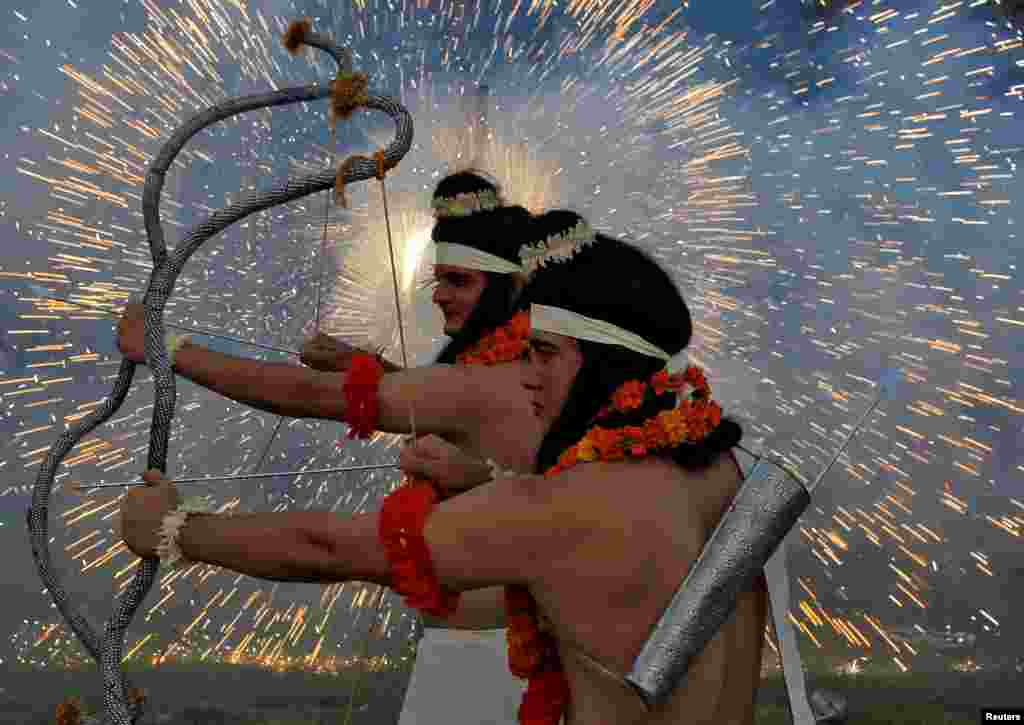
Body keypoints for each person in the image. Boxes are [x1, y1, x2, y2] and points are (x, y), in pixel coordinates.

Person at [119, 214, 768, 724]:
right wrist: (483, 483)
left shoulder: (561, 503)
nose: (529, 378)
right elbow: (617, 589)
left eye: (546, 354)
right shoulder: (713, 462)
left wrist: (176, 528)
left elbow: (328, 547)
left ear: (602, 362)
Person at [118, 170, 544, 724]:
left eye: (458, 281)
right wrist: (367, 370)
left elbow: (323, 527)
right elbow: (504, 456)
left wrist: (166, 349)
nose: (438, 295)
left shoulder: (496, 380)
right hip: (497, 657)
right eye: (437, 280)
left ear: (508, 285)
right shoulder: (545, 375)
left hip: (485, 670)